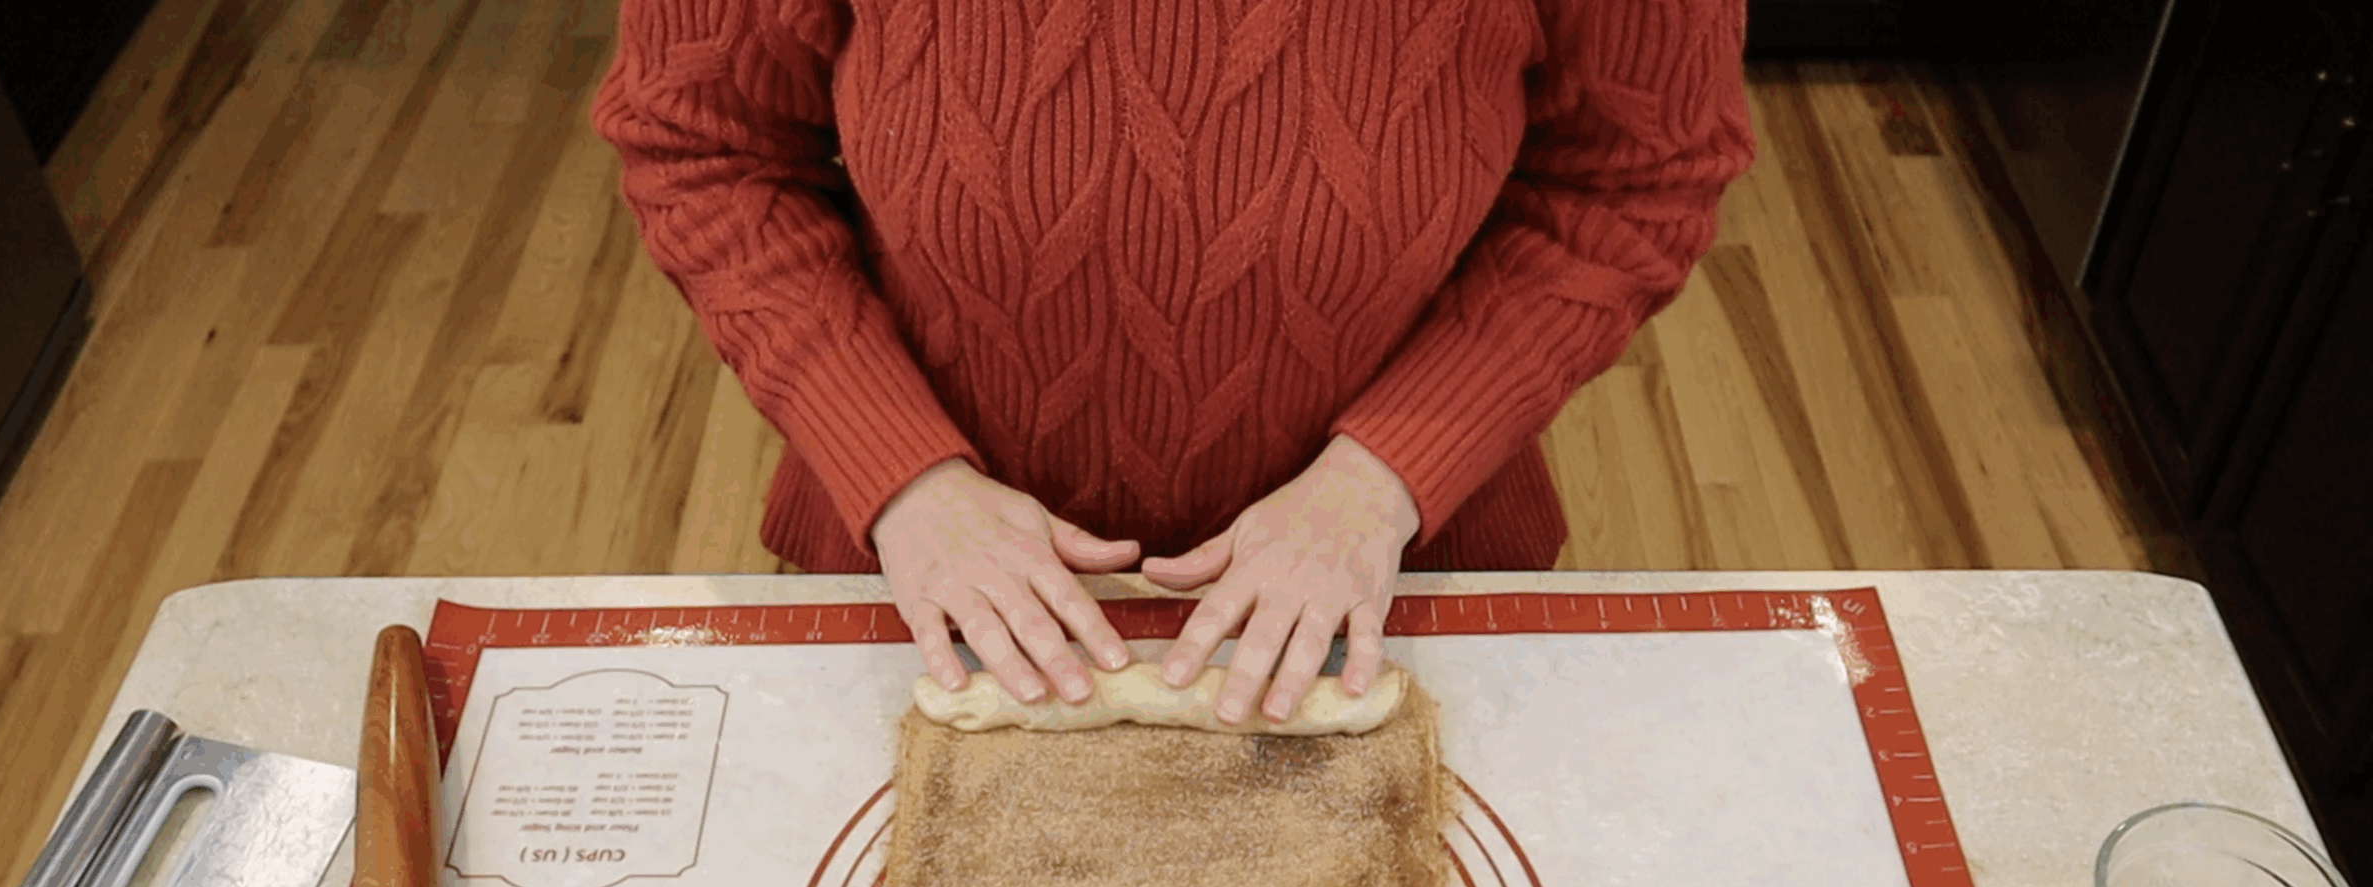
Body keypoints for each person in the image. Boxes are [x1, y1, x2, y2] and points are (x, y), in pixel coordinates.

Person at [594, 0, 1752, 723]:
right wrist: (901, 474)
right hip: (926, 573)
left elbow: (1630, 182)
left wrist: (1385, 475)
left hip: (1391, 572)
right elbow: (705, 151)